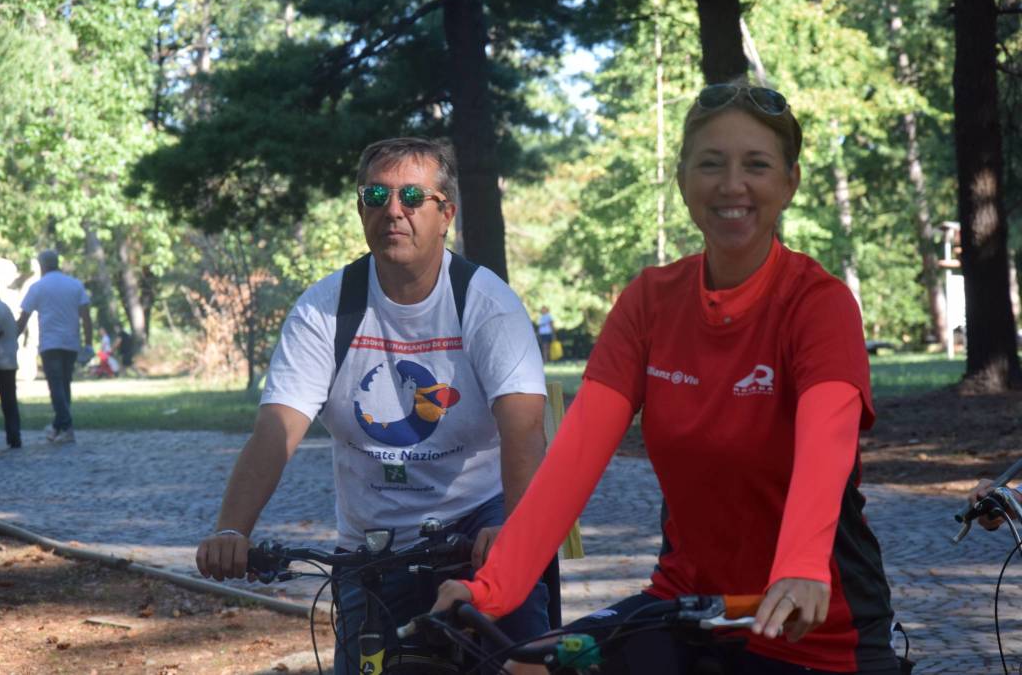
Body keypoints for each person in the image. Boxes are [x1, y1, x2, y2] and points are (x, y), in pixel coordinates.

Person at [434, 81, 901, 674]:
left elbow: (825, 451)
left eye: (756, 165)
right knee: (529, 668)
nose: (733, 185)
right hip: (687, 608)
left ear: (790, 182)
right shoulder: (650, 303)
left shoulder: (818, 304)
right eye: (711, 164)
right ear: (683, 181)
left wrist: (802, 565)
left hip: (811, 623)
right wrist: (491, 587)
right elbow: (573, 461)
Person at [195, 137, 550, 674]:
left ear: (445, 213)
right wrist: (230, 531)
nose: (393, 211)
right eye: (376, 195)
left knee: (522, 661)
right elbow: (276, 429)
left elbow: (523, 429)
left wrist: (516, 533)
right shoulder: (325, 309)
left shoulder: (486, 303)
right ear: (360, 208)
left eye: (412, 195)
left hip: (481, 521)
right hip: (370, 546)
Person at [16, 250, 93, 445]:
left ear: (42, 265)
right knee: (64, 384)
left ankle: (66, 426)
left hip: (50, 343)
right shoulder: (75, 285)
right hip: (71, 343)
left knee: (56, 386)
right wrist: (89, 343)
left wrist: (9, 338)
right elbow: (86, 317)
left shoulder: (38, 287)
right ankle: (58, 428)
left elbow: (23, 319)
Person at [0, 294, 22, 449]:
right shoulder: (4, 307)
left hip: (1, 361)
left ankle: (14, 437)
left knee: (9, 402)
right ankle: (14, 437)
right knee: (9, 402)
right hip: (7, 361)